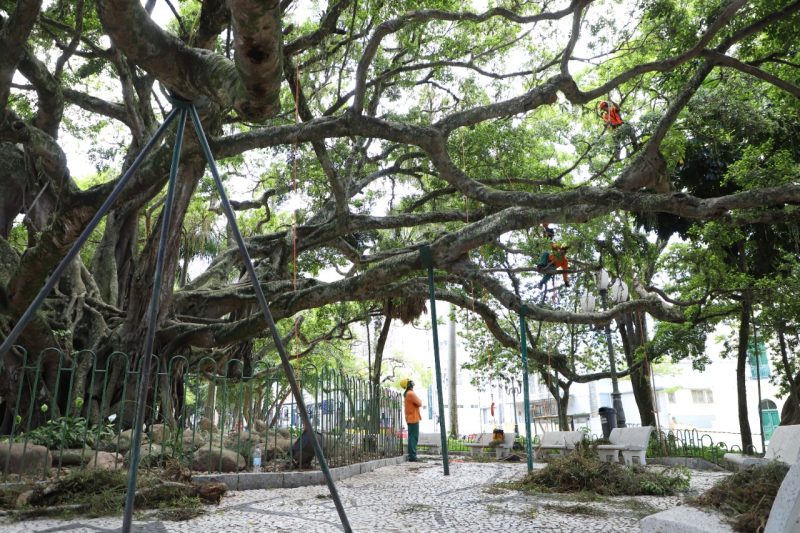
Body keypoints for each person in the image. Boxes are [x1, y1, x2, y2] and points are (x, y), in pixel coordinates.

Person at [400, 378, 422, 462]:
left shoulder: (408, 394)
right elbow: (419, 403)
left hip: (411, 418)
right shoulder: (410, 394)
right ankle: (412, 456)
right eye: (410, 383)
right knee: (413, 438)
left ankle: (412, 455)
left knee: (411, 437)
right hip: (413, 418)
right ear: (408, 385)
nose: (412, 384)